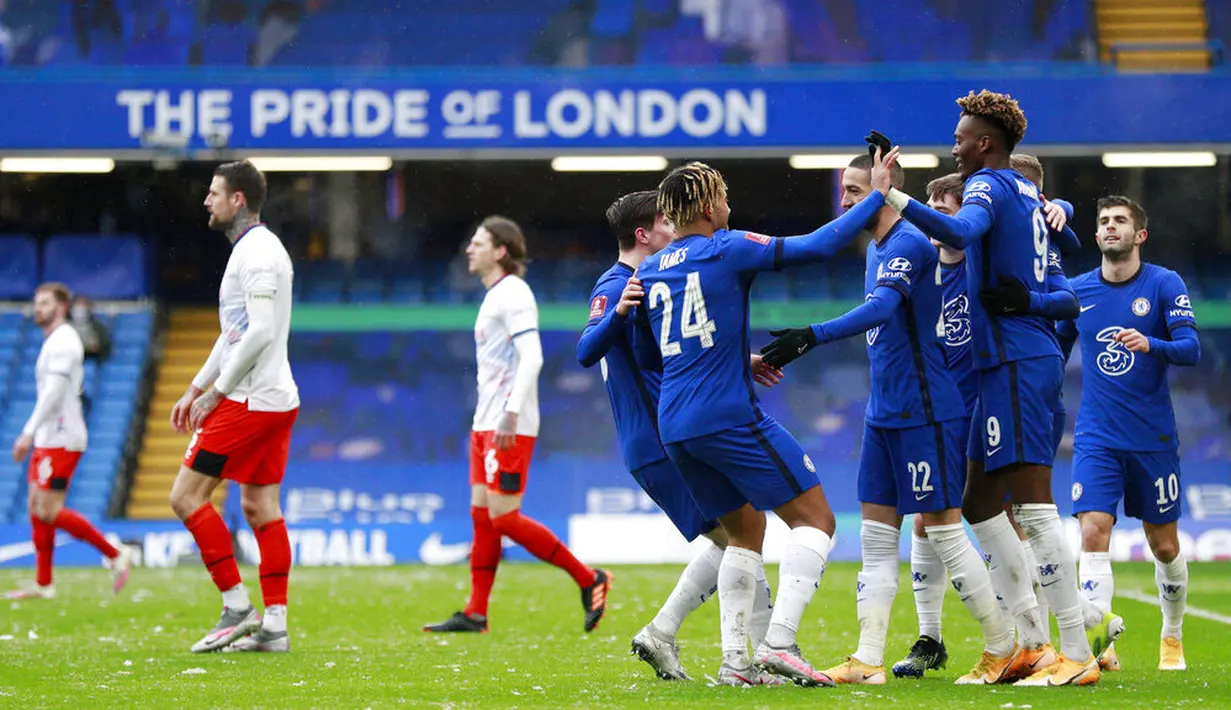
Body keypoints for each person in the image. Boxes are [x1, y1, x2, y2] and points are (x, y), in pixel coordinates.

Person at [878, 90, 1118, 686]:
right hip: (1002, 362)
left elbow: (963, 226)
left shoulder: (989, 185)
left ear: (985, 142)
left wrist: (893, 194)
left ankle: (1072, 651)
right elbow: (1058, 284)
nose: (954, 146)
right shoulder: (1030, 198)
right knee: (980, 503)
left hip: (1016, 359)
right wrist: (1031, 299)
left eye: (961, 137)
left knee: (1034, 506)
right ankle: (1031, 641)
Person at [634, 156, 893, 686]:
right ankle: (778, 643)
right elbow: (818, 246)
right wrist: (877, 196)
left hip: (674, 422)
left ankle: (736, 665)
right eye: (725, 198)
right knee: (817, 520)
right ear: (708, 207)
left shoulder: (652, 268)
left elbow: (663, 349)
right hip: (725, 416)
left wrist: (738, 360)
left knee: (745, 530)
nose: (730, 206)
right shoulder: (726, 246)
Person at [761, 154, 1019, 686]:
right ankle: (869, 658)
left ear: (884, 190)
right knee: (877, 541)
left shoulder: (907, 242)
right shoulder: (873, 248)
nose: (846, 201)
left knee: (945, 532)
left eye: (856, 190)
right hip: (883, 415)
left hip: (926, 411)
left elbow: (880, 311)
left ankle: (1002, 647)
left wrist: (812, 334)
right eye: (843, 191)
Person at [577, 190, 783, 680]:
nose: (675, 228)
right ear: (644, 235)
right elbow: (587, 349)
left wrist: (741, 362)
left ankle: (737, 650)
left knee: (744, 531)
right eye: (667, 222)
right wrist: (617, 314)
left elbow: (674, 358)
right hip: (658, 439)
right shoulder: (617, 284)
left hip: (667, 436)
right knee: (744, 533)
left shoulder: (654, 280)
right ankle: (750, 654)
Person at [425, 216, 611, 635]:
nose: (469, 249)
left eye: (478, 243)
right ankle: (475, 612)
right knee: (482, 518)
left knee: (505, 518)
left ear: (501, 250)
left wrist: (510, 411)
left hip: (508, 423)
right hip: (486, 422)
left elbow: (532, 357)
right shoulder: (494, 296)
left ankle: (589, 578)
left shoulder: (514, 294)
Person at [1058, 196, 1198, 673]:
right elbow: (1054, 349)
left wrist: (1151, 343)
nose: (1110, 227)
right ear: (1096, 236)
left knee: (1164, 545)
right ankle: (1100, 642)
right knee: (1093, 530)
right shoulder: (1077, 291)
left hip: (1153, 439)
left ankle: (1172, 634)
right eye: (1103, 222)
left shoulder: (1163, 284)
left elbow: (1190, 349)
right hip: (1096, 436)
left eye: (1120, 221)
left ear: (1139, 235)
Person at [168, 160, 299, 653]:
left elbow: (261, 332)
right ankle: (275, 626)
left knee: (185, 497)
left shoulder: (258, 254)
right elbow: (236, 334)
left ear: (237, 199)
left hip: (251, 399)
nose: (207, 200)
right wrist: (195, 386)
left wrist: (217, 392)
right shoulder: (251, 250)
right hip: (273, 397)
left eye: (214, 193)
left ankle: (237, 606)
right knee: (259, 505)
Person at [5, 283, 131, 600]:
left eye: (45, 303)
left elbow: (55, 393)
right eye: (36, 303)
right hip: (50, 436)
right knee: (36, 507)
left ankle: (114, 552)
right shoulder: (53, 341)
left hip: (62, 436)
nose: (38, 309)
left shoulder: (65, 341)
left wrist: (28, 431)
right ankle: (44, 583)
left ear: (61, 307)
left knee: (49, 509)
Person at [69, 295, 111, 363]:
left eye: (83, 305)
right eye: (77, 305)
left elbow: (105, 346)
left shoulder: (97, 325)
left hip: (91, 359)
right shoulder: (65, 325)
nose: (80, 308)